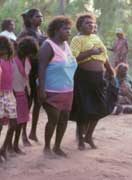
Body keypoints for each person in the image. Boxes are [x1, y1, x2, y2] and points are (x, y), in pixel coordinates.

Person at [70, 13, 114, 150]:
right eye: (87, 23)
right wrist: (90, 52)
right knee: (83, 109)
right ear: (80, 25)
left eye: (92, 23)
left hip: (98, 77)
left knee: (99, 107)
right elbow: (73, 58)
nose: (91, 25)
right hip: (83, 77)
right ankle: (80, 139)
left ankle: (89, 135)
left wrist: (110, 69)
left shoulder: (96, 37)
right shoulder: (77, 39)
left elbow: (104, 56)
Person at [38, 16, 77, 156]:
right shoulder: (47, 46)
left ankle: (57, 146)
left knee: (64, 119)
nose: (69, 32)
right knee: (53, 119)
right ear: (56, 30)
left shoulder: (66, 45)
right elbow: (41, 69)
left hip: (67, 90)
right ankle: (47, 147)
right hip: (51, 91)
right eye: (65, 29)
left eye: (69, 29)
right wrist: (41, 90)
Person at [18, 8, 46, 144]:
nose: (40, 18)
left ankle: (33, 132)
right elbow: (18, 50)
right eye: (37, 16)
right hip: (28, 71)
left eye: (41, 16)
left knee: (38, 102)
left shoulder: (41, 33)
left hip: (39, 71)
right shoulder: (25, 32)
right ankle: (23, 134)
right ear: (30, 19)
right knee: (27, 104)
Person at [9, 37, 39, 154]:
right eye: (29, 52)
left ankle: (15, 145)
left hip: (24, 93)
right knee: (13, 124)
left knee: (21, 122)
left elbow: (26, 77)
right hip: (13, 94)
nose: (30, 55)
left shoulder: (26, 60)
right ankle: (8, 146)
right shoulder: (12, 60)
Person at [0, 36, 17, 161]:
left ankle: (4, 148)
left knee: (14, 123)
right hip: (0, 94)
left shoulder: (10, 60)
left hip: (9, 94)